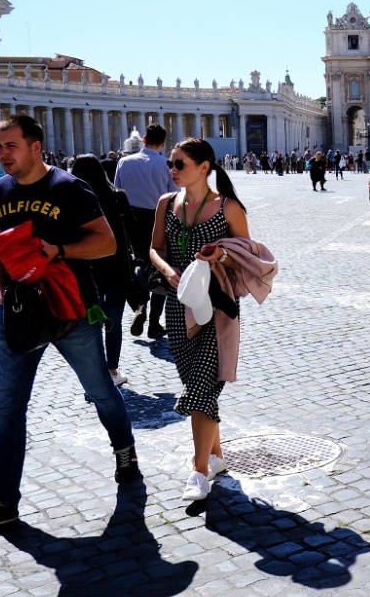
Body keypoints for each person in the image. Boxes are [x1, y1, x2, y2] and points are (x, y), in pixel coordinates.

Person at [0, 115, 140, 538]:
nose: (3, 154)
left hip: (73, 310)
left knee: (100, 390)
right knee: (7, 404)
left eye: (11, 146)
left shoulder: (70, 188)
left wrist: (59, 250)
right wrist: (1, 291)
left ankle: (124, 449)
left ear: (35, 147)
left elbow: (106, 243)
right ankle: (1, 501)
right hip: (19, 309)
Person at [149, 138, 250, 500]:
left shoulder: (228, 207)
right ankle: (216, 455)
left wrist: (219, 255)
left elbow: (247, 255)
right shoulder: (166, 203)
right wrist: (168, 271)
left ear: (204, 167)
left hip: (216, 305)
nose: (172, 169)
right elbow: (154, 248)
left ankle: (199, 470)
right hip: (179, 305)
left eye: (179, 164)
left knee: (200, 386)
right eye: (171, 164)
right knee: (198, 383)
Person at [71, 154, 136, 387]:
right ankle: (112, 370)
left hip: (86, 267)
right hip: (117, 266)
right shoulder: (117, 196)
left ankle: (93, 373)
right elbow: (132, 230)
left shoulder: (72, 199)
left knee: (90, 321)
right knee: (113, 320)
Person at [115, 124, 175, 340]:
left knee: (138, 263)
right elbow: (174, 198)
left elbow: (117, 193)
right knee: (160, 266)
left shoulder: (124, 162)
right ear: (163, 143)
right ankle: (155, 323)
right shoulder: (166, 165)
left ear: (144, 139)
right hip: (158, 218)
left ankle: (140, 305)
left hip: (131, 221)